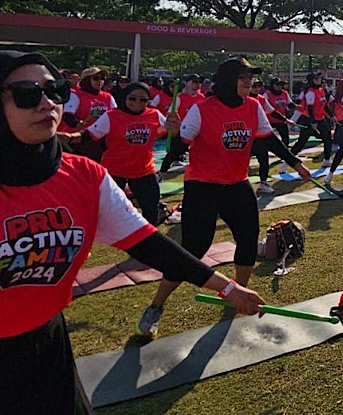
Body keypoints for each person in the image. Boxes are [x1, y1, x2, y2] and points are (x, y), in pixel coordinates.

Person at [0, 51, 266, 415]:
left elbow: (150, 244)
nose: (47, 102)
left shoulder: (83, 177)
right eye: (28, 93)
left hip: (48, 339)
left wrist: (228, 288)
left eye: (56, 90)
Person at [136, 57, 311, 337]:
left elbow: (267, 139)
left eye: (250, 78)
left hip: (237, 184)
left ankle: (239, 293)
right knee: (193, 248)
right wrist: (174, 132)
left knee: (247, 238)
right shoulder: (203, 109)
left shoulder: (253, 106)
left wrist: (295, 163)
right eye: (242, 77)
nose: (248, 82)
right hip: (203, 186)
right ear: (228, 80)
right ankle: (156, 305)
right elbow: (180, 147)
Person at [77, 82, 167, 224]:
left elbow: (166, 130)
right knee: (108, 209)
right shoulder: (111, 116)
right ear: (125, 97)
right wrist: (67, 137)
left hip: (143, 170)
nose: (137, 102)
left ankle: (149, 238)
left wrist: (173, 126)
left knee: (151, 207)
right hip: (115, 170)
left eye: (142, 100)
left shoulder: (154, 114)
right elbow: (89, 135)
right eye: (132, 98)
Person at [60, 67, 117, 161]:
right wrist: (77, 123)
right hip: (76, 141)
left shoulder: (108, 97)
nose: (100, 81)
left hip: (98, 141)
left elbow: (115, 117)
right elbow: (67, 117)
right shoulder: (75, 94)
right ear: (86, 80)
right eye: (96, 78)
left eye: (102, 78)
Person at [159, 74, 205, 173]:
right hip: (181, 129)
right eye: (194, 82)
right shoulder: (181, 97)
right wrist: (177, 122)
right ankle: (162, 172)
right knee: (173, 152)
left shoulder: (201, 97)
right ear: (187, 83)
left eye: (199, 82)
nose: (197, 85)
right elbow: (171, 112)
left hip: (196, 129)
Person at [290, 73, 333, 165]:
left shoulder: (321, 90)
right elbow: (310, 108)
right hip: (309, 120)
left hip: (321, 119)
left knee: (327, 139)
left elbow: (324, 105)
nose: (319, 80)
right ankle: (288, 160)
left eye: (319, 78)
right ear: (311, 80)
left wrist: (332, 116)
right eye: (316, 78)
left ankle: (327, 160)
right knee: (301, 142)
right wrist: (313, 121)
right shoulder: (310, 92)